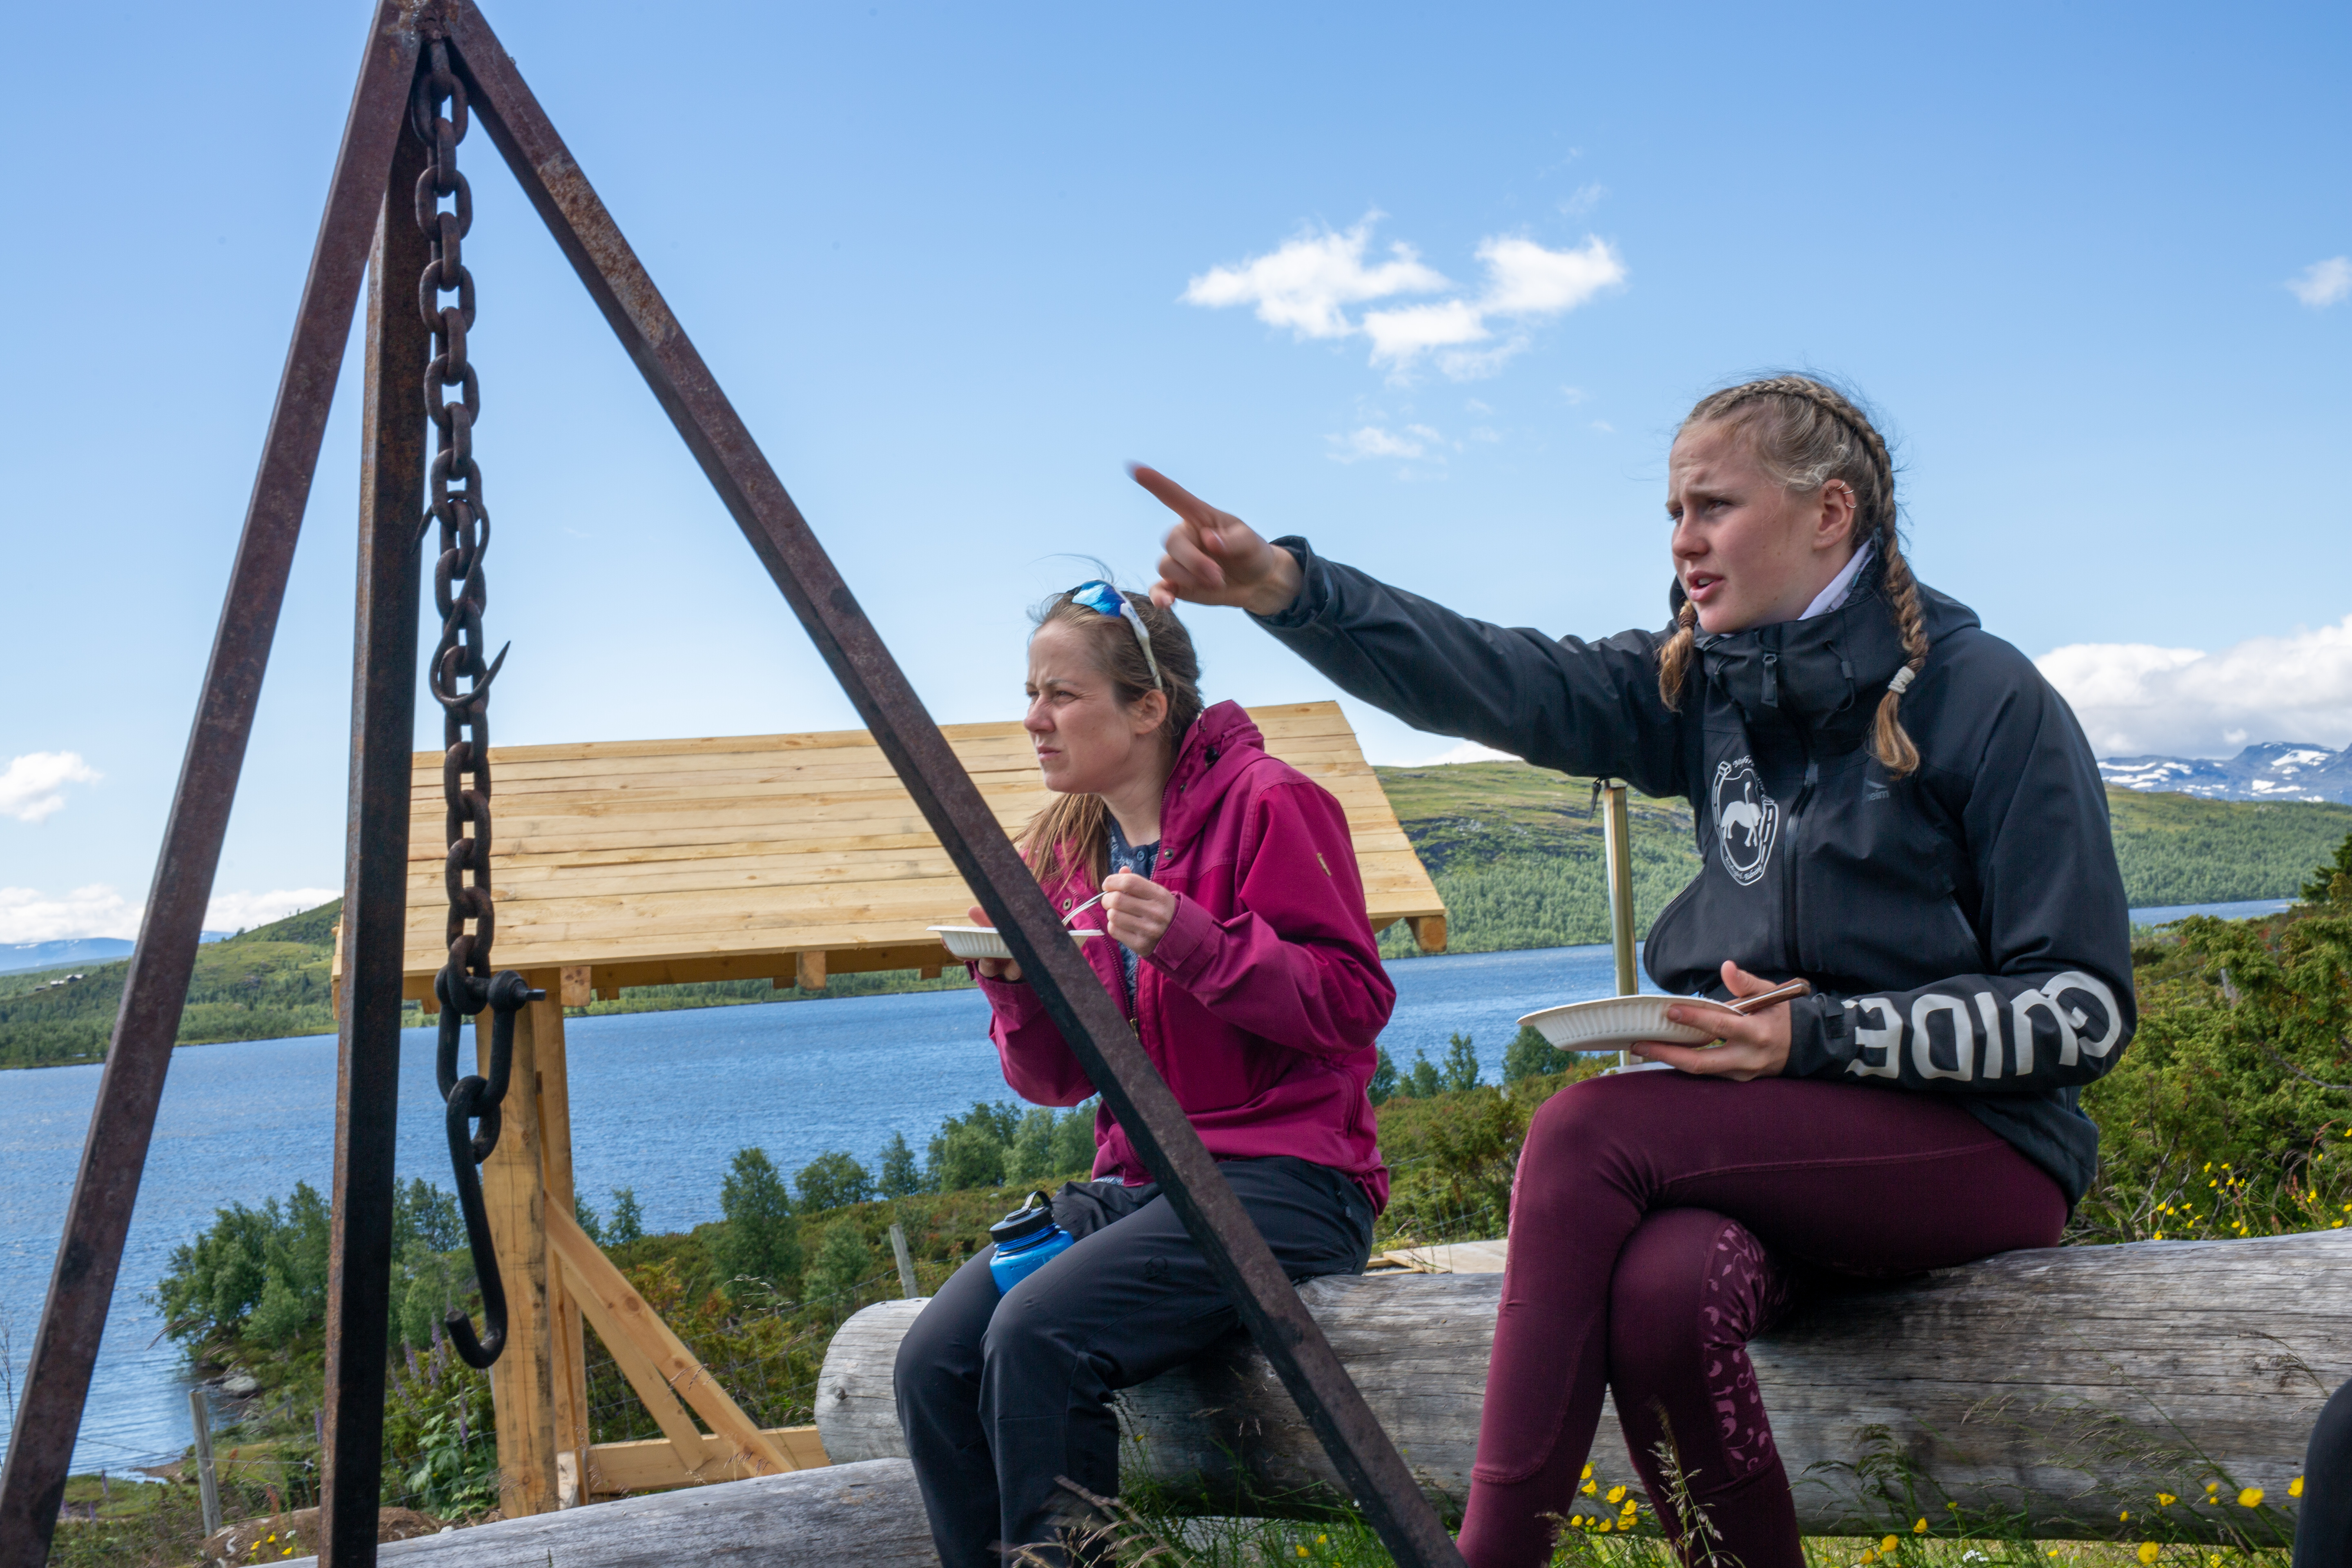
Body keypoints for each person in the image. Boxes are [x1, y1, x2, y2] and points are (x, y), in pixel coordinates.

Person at [1137, 374, 2135, 1568]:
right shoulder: (1708, 685)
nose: (1683, 542)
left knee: (1585, 1132)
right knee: (1664, 1297)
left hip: (1985, 1147)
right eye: (1673, 513)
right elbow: (1502, 679)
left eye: (1714, 507)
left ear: (1830, 513)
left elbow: (2082, 1010)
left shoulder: (1988, 696)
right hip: (1796, 1136)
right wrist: (1290, 591)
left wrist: (1817, 1036)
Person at [892, 581, 1395, 1568]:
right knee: (932, 1362)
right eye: (1030, 694)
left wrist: (1198, 944)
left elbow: (1352, 1004)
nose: (1034, 720)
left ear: (1148, 708)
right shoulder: (1065, 848)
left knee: (1038, 1335)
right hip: (1142, 1185)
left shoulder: (1271, 802)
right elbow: (1053, 1083)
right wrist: (1015, 990)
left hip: (1292, 1183)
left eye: (1061, 695)